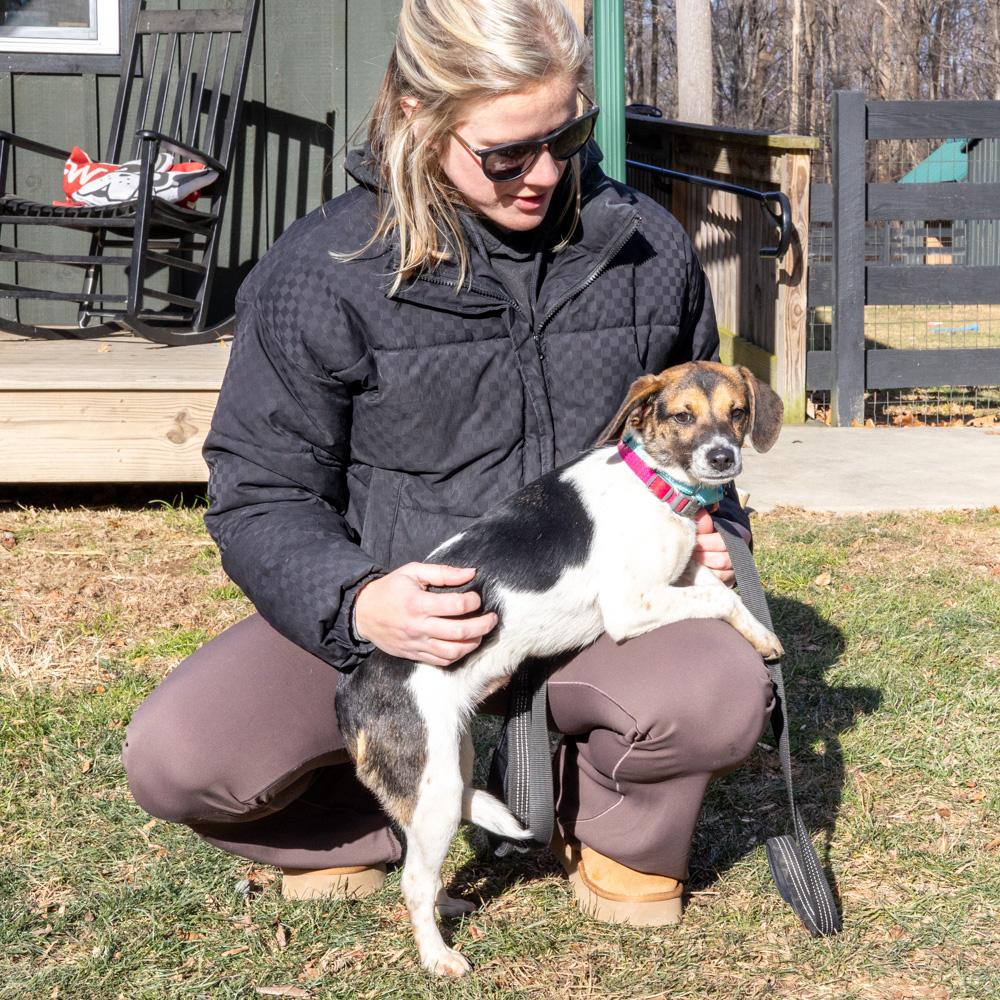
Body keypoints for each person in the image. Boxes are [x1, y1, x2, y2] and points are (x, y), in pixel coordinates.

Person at [122, 0, 774, 925]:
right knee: (182, 753)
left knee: (717, 687)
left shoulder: (646, 247)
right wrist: (358, 603)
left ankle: (614, 825)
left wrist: (713, 537)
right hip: (403, 619)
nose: (546, 174)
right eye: (507, 154)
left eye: (568, 136)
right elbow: (260, 493)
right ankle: (376, 817)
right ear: (421, 121)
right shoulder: (324, 270)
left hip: (594, 607)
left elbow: (704, 452)